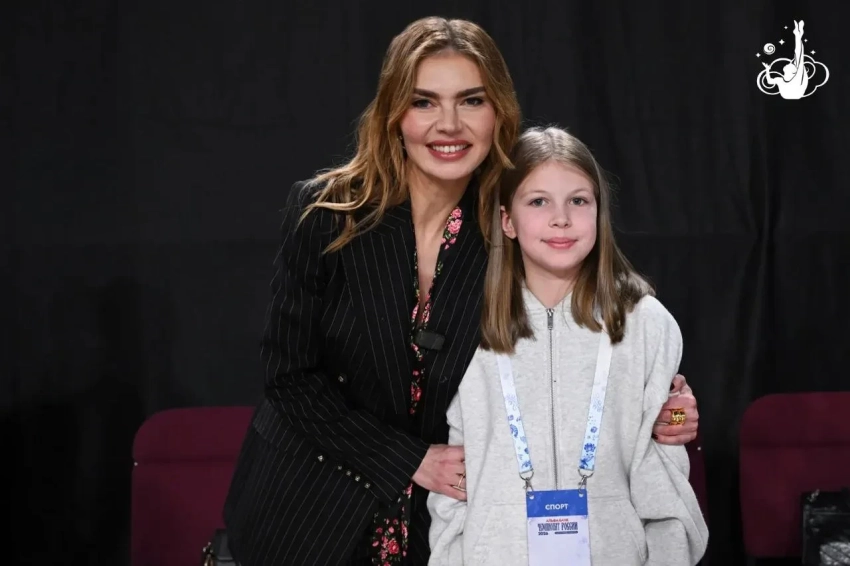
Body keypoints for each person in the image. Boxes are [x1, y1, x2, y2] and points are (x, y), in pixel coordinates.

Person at [223, 16, 700, 566]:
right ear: (394, 114)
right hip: (309, 510)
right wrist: (408, 459)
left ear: (498, 112)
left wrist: (661, 399)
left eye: (471, 100)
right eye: (423, 102)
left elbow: (588, 310)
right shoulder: (329, 213)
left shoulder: (512, 216)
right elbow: (289, 377)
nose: (448, 125)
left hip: (436, 526)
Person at [427, 126, 709, 566]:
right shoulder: (466, 325)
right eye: (538, 202)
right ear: (507, 220)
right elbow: (451, 477)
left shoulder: (646, 323)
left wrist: (676, 418)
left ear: (598, 213)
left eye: (578, 201)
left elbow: (667, 473)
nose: (561, 218)